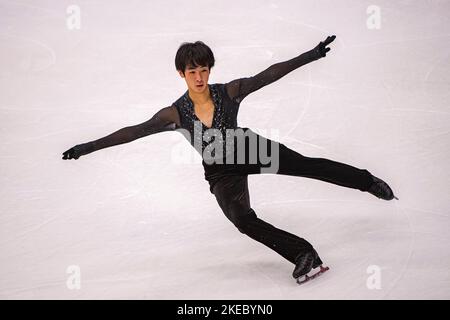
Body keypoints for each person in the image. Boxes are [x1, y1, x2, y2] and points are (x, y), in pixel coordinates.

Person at [62, 36, 398, 283]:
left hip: (249, 148)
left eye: (204, 70)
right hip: (220, 172)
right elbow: (132, 132)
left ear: (210, 70)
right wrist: (85, 147)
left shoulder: (229, 92)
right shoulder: (174, 114)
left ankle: (367, 181)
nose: (199, 77)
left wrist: (310, 56)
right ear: (182, 73)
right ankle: (302, 253)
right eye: (192, 71)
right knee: (241, 219)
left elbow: (268, 74)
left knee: (308, 166)